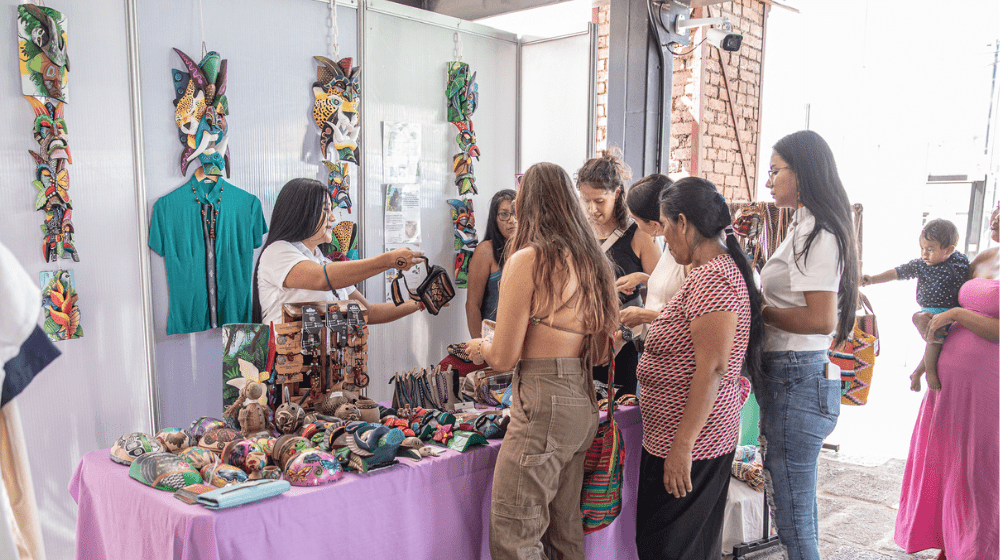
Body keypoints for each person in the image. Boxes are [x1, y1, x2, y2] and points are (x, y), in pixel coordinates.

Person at [463, 162, 619, 560]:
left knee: (514, 533)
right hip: (581, 399)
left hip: (544, 399)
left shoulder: (530, 259)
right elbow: (603, 350)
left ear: (527, 206)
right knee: (564, 530)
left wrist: (480, 348)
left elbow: (503, 356)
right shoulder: (593, 261)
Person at [633, 177, 762, 560]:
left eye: (665, 225)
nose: (665, 240)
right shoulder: (707, 272)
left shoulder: (715, 278)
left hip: (693, 442)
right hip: (683, 438)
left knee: (670, 548)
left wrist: (682, 447)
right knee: (677, 545)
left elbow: (713, 368)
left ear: (684, 222)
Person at [757, 130, 859, 560]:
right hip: (793, 373)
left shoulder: (818, 231)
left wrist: (755, 308)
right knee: (796, 506)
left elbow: (820, 320)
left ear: (803, 173)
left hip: (796, 375)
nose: (769, 182)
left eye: (775, 171)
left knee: (793, 512)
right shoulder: (804, 223)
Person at [895, 206, 999, 560]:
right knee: (948, 462)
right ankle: (954, 542)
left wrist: (955, 315)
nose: (995, 217)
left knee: (981, 470)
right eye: (995, 209)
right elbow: (946, 300)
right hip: (948, 380)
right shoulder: (982, 256)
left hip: (988, 385)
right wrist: (925, 320)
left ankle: (979, 549)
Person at [252, 178, 423, 326]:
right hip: (286, 362)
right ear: (302, 212)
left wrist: (420, 302)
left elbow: (369, 312)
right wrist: (389, 260)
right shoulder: (277, 252)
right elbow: (322, 279)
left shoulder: (324, 263)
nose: (333, 218)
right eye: (326, 209)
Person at [577, 149, 660, 395]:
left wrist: (643, 279)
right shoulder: (579, 235)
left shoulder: (640, 234)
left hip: (623, 346)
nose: (592, 209)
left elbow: (662, 289)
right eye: (585, 200)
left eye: (600, 201)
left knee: (620, 420)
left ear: (617, 192)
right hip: (583, 342)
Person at [861, 219, 968, 391]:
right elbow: (897, 273)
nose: (924, 254)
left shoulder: (960, 262)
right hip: (932, 310)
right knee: (935, 341)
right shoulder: (921, 265)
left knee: (938, 345)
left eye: (930, 250)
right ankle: (930, 373)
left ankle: (917, 372)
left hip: (953, 311)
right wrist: (872, 279)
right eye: (922, 249)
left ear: (949, 250)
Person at [620, 174, 687, 349]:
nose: (634, 225)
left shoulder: (686, 255)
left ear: (656, 224)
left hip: (674, 352)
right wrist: (642, 278)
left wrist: (643, 315)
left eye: (635, 220)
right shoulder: (669, 246)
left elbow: (694, 319)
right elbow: (673, 291)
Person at [465, 189, 517, 337]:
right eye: (504, 214)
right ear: (494, 218)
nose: (512, 220)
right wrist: (479, 345)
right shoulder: (486, 250)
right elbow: (472, 305)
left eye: (516, 213)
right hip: (492, 342)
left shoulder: (531, 249)